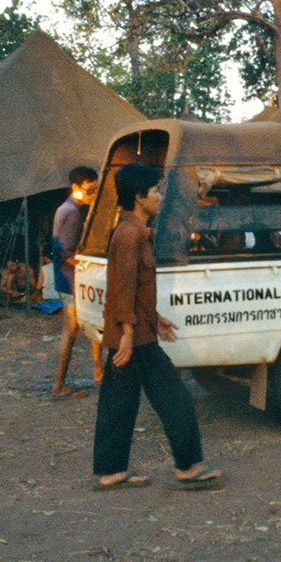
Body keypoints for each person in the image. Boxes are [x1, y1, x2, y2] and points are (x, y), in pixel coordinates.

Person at [92, 163, 221, 490]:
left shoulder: (137, 232)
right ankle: (188, 466)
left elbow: (137, 288)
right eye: (155, 191)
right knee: (175, 400)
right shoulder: (129, 234)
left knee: (119, 405)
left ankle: (112, 471)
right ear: (138, 197)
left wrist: (156, 319)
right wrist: (128, 335)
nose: (161, 197)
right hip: (134, 341)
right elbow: (122, 288)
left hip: (139, 335)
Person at [52, 166, 104, 399]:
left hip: (65, 278)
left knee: (89, 323)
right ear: (76, 187)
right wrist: (86, 266)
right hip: (69, 279)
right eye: (90, 190)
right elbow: (64, 253)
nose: (92, 194)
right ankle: (59, 385)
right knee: (70, 331)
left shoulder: (66, 208)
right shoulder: (72, 213)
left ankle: (98, 371)